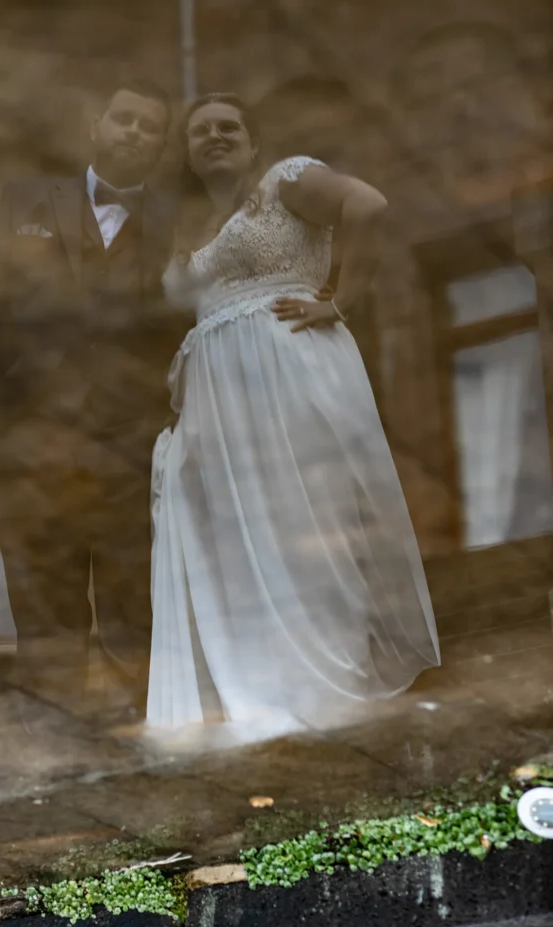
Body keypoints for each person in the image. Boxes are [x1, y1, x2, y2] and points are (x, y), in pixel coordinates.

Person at [147, 93, 440, 749]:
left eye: (228, 127)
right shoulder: (195, 222)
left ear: (254, 144)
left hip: (286, 365)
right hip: (221, 393)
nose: (214, 137)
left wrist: (342, 299)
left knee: (308, 516)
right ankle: (267, 692)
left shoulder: (286, 180)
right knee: (243, 530)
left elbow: (366, 205)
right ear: (188, 153)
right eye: (200, 132)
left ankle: (330, 694)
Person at [0, 78, 176, 703]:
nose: (133, 132)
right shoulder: (25, 201)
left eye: (149, 127)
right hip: (29, 447)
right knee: (45, 610)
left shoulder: (173, 222)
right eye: (124, 118)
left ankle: (142, 742)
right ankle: (54, 754)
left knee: (134, 602)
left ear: (160, 147)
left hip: (128, 449)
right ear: (97, 124)